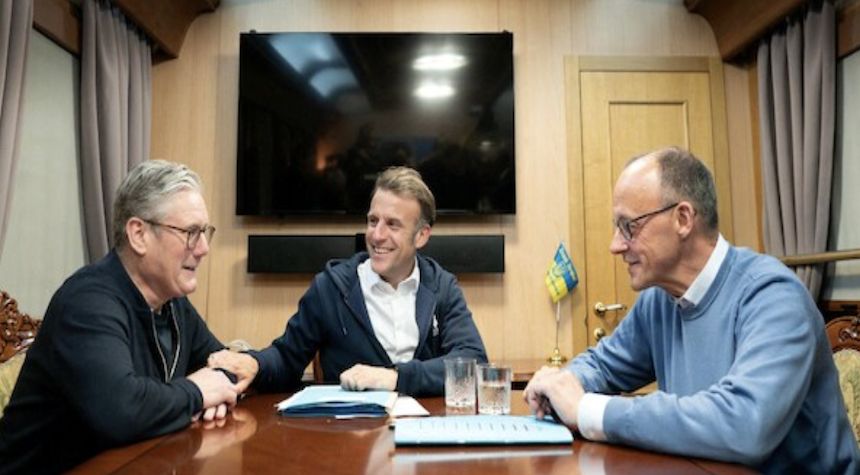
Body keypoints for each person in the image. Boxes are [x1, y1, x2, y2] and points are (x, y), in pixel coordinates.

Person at [524, 147, 860, 474]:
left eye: (629, 227)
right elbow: (603, 364)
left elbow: (744, 424)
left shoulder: (773, 296)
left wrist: (588, 410)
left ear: (683, 219)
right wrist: (562, 385)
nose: (615, 245)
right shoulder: (659, 300)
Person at [0, 160, 239, 474]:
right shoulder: (87, 302)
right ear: (139, 234)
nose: (204, 248)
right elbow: (120, 411)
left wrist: (217, 390)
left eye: (205, 232)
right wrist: (196, 394)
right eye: (190, 233)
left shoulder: (173, 303)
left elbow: (224, 367)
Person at [210, 166, 487, 397]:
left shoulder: (442, 287)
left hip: (422, 434)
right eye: (373, 221)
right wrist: (254, 363)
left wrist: (396, 378)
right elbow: (286, 358)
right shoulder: (330, 287)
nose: (377, 235)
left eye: (392, 224)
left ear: (422, 235)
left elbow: (473, 362)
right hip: (350, 438)